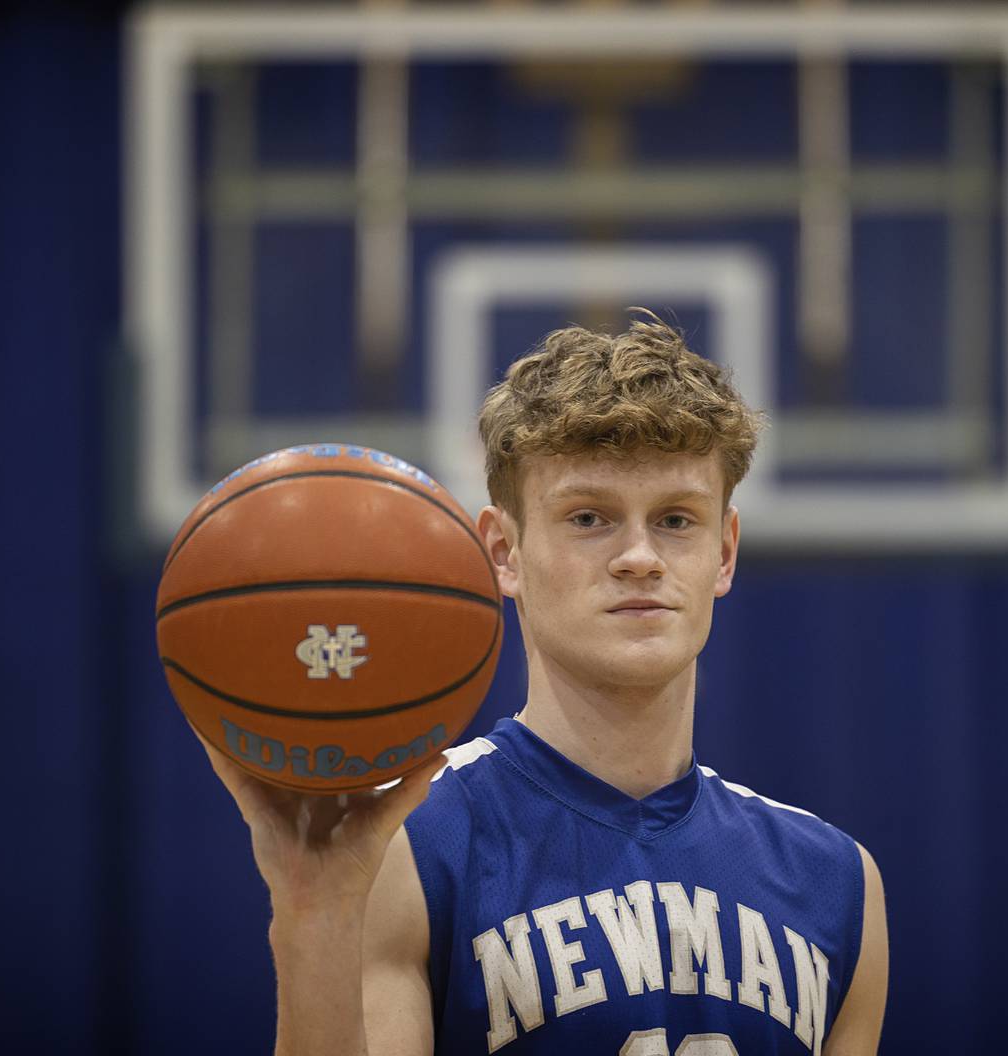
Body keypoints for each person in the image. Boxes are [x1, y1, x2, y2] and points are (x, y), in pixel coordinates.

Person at [197, 311, 888, 1055]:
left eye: (676, 520)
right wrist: (313, 917)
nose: (639, 557)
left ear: (724, 552)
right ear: (504, 551)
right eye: (589, 517)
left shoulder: (837, 883)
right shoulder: (405, 845)